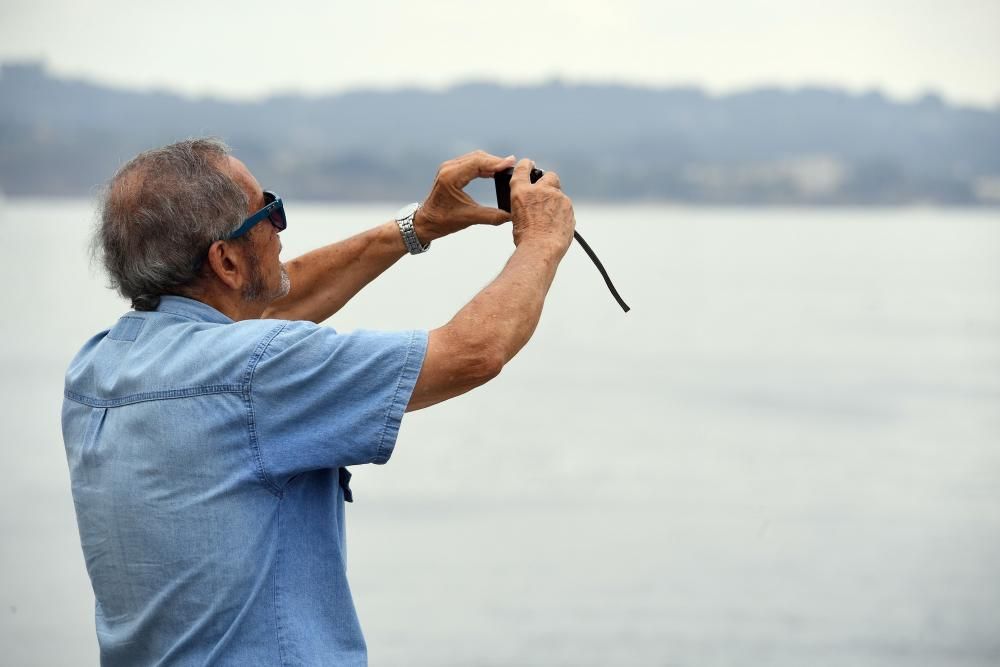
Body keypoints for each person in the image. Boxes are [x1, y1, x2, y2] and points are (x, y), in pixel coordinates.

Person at [61, 138, 576, 666]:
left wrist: (418, 226)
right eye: (269, 212)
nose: (281, 230)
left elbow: (265, 312)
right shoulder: (255, 372)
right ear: (226, 261)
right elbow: (472, 352)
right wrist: (540, 241)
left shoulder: (95, 369)